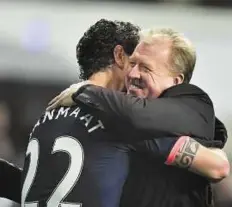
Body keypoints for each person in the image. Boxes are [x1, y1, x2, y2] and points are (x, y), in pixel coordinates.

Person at [48, 24, 229, 207]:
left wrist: (84, 91)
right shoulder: (124, 114)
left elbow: (136, 115)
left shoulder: (195, 101)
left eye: (145, 68)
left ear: (176, 81)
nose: (133, 73)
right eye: (133, 63)